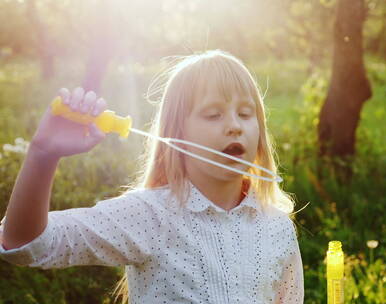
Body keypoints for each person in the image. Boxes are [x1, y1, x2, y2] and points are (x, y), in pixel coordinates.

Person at [0, 50, 304, 303]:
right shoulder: (150, 216)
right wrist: (43, 154)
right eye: (213, 114)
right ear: (176, 134)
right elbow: (26, 244)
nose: (234, 126)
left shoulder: (276, 227)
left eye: (246, 113)